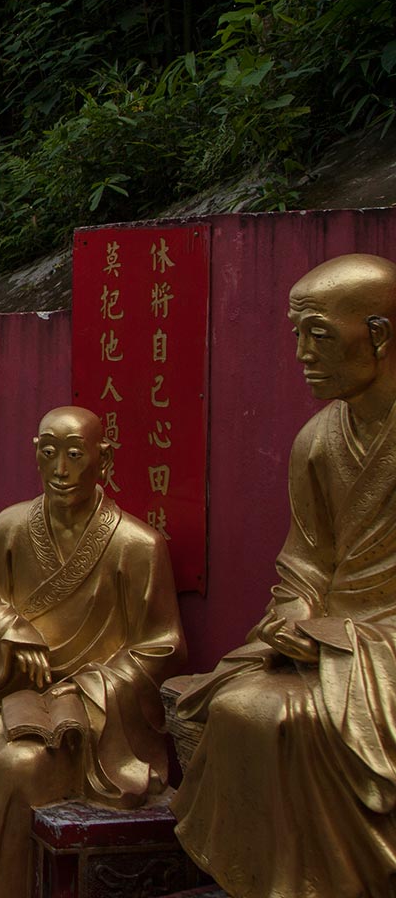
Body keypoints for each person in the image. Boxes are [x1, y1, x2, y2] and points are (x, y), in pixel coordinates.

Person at [172, 254, 396, 897]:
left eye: (318, 333)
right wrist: (295, 614)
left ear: (378, 336)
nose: (301, 352)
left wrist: (348, 637)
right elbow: (306, 560)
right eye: (296, 333)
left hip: (378, 645)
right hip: (329, 636)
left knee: (276, 719)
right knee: (230, 703)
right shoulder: (318, 440)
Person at [0, 406, 186, 898]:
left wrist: (86, 689)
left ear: (104, 459)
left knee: (14, 764)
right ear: (35, 453)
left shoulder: (137, 546)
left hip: (90, 716)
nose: (61, 469)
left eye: (75, 455)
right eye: (49, 453)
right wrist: (11, 631)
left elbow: (163, 646)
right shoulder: (10, 527)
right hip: (11, 690)